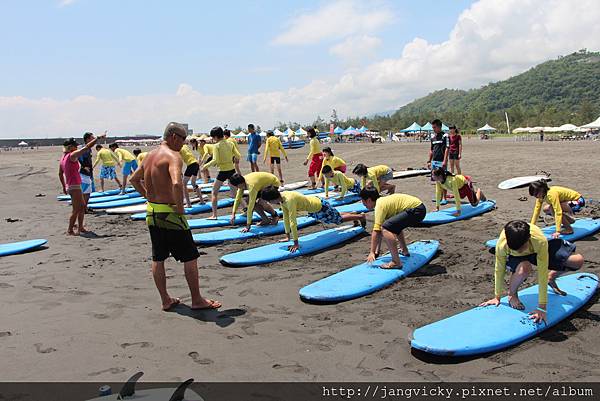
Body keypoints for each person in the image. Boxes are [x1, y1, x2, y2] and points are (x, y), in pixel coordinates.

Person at [129, 122, 221, 312]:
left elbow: (134, 180)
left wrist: (148, 197)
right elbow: (177, 184)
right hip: (170, 215)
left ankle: (166, 300)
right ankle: (197, 300)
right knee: (190, 257)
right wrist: (180, 208)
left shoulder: (149, 156)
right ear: (173, 137)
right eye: (183, 139)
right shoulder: (173, 156)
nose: (184, 143)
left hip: (152, 213)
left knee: (159, 257)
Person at [480, 220, 584, 323]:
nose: (519, 251)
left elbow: (542, 273)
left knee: (577, 261)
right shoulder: (502, 244)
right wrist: (497, 296)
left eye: (521, 248)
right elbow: (499, 270)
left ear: (528, 239)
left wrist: (542, 308)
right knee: (524, 269)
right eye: (516, 249)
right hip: (515, 257)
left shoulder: (539, 241)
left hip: (535, 250)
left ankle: (551, 277)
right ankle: (512, 294)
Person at [260, 185, 366, 252]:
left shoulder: (289, 200)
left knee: (338, 220)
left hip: (319, 206)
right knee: (334, 217)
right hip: (313, 209)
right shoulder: (282, 199)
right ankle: (353, 213)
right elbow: (286, 218)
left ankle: (360, 216)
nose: (269, 203)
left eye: (269, 201)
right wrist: (288, 236)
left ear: (273, 198)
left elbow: (293, 221)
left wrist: (296, 243)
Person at [360, 188, 426, 269]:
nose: (364, 205)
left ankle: (396, 262)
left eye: (363, 202)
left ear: (369, 200)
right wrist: (377, 252)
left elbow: (376, 231)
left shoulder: (379, 206)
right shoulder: (383, 202)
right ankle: (404, 250)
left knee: (385, 228)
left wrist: (372, 252)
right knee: (393, 226)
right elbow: (380, 231)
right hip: (420, 208)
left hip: (416, 210)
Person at [59, 134, 103, 235]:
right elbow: (86, 147)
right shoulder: (71, 156)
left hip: (72, 186)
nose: (77, 147)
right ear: (70, 147)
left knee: (82, 206)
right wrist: (98, 138)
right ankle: (70, 230)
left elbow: (60, 173)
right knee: (76, 209)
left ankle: (80, 227)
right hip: (74, 186)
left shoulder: (63, 158)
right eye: (75, 145)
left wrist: (64, 186)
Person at [202, 126, 241, 219]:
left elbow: (215, 160)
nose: (212, 139)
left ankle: (214, 215)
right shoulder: (230, 143)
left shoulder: (216, 146)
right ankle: (245, 209)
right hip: (232, 170)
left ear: (215, 136)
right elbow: (238, 155)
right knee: (235, 193)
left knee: (214, 192)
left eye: (212, 137)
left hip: (223, 172)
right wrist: (232, 159)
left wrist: (205, 166)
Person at [427, 119, 449, 203]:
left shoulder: (445, 136)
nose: (433, 129)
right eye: (432, 127)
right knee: (436, 179)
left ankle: (444, 198)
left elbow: (447, 148)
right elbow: (431, 150)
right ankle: (438, 197)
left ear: (439, 127)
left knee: (443, 180)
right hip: (434, 161)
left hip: (441, 161)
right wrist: (429, 161)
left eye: (434, 127)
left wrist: (444, 161)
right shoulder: (433, 137)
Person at [179, 139, 204, 208]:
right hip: (196, 164)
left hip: (191, 165)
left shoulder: (179, 148)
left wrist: (180, 171)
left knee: (184, 184)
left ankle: (188, 204)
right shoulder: (185, 146)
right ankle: (202, 201)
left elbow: (179, 161)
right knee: (193, 183)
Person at [79, 131, 101, 208]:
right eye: (92, 138)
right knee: (84, 191)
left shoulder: (89, 149)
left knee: (88, 191)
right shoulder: (83, 148)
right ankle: (83, 208)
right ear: (88, 139)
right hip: (84, 172)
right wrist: (83, 166)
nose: (94, 139)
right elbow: (79, 157)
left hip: (89, 172)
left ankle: (85, 207)